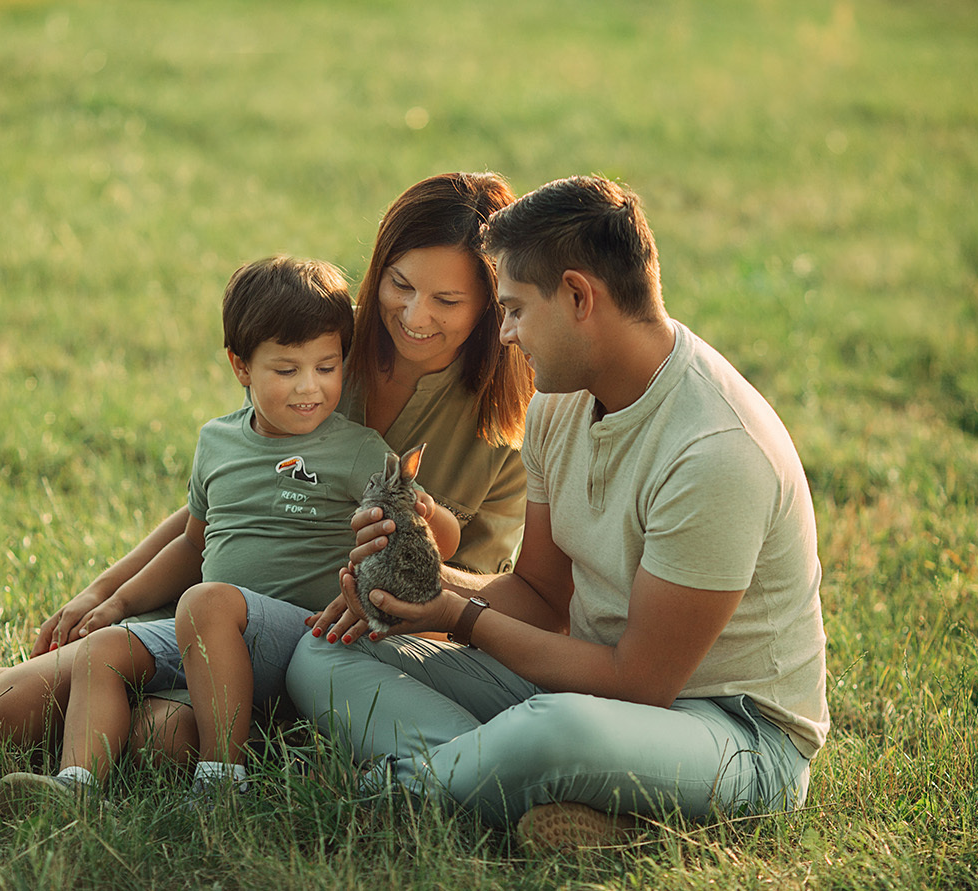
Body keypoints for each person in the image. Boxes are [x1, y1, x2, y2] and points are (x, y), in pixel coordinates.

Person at [287, 175, 830, 851]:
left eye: (514, 308)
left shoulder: (714, 450)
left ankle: (408, 793)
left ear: (578, 295)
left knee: (556, 731)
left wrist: (461, 617)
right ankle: (551, 790)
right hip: (577, 680)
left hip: (730, 732)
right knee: (321, 654)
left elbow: (641, 682)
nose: (507, 333)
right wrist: (419, 581)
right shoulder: (559, 401)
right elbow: (541, 596)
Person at [0, 172, 535, 768]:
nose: (415, 315)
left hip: (342, 647)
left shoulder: (507, 422)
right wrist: (103, 593)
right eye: (399, 285)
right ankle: (58, 700)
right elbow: (218, 509)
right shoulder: (320, 345)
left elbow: (484, 589)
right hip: (214, 608)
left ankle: (166, 723)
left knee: (161, 741)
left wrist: (400, 577)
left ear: (490, 305)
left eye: (448, 301)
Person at [0, 256, 460, 810]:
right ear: (241, 367)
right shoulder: (218, 441)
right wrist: (115, 601)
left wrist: (425, 514)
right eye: (287, 371)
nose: (310, 388)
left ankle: (221, 785)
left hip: (302, 640)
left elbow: (438, 545)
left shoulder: (355, 449)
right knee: (102, 651)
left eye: (327, 368)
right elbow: (193, 542)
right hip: (204, 632)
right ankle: (75, 788)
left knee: (207, 604)